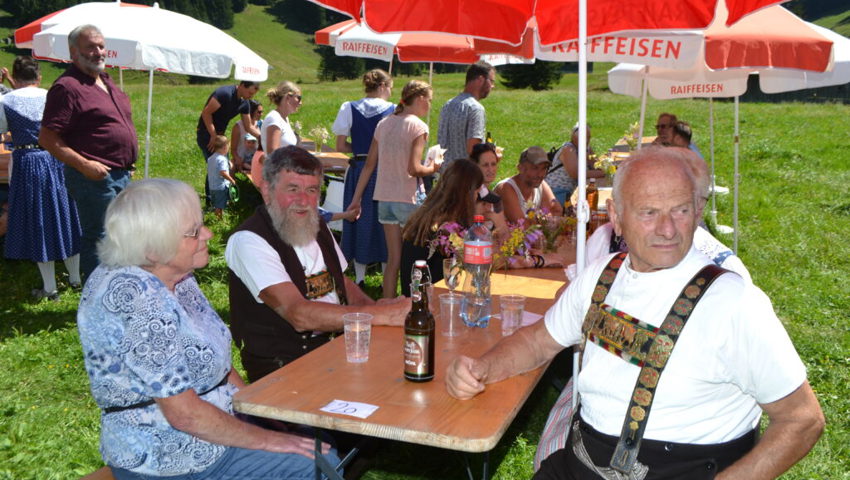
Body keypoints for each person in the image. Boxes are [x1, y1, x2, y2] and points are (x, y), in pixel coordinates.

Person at [446, 148, 824, 480]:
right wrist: (483, 369)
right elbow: (538, 341)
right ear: (617, 215)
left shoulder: (733, 302)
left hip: (683, 469)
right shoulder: (603, 274)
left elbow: (802, 419)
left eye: (680, 210)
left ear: (697, 210)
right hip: (584, 461)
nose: (667, 229)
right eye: (648, 212)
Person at [77, 178, 338, 480]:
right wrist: (273, 439)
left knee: (320, 444)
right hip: (173, 455)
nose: (208, 234)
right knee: (313, 464)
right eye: (193, 232)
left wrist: (264, 414)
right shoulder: (134, 297)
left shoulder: (176, 277)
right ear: (153, 249)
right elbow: (184, 415)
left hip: (210, 430)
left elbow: (218, 363)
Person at [226, 146, 410, 382]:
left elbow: (342, 283)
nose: (303, 201)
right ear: (267, 191)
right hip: (284, 371)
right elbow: (298, 315)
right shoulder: (248, 241)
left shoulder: (315, 224)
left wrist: (373, 309)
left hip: (337, 351)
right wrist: (381, 314)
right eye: (292, 189)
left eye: (312, 190)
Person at [39, 24, 138, 284]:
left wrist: (125, 159)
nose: (98, 52)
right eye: (90, 47)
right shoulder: (67, 87)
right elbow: (48, 138)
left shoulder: (105, 81)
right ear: (74, 52)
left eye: (101, 46)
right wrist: (84, 165)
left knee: (119, 236)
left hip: (120, 174)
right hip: (93, 178)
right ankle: (99, 301)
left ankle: (115, 292)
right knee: (101, 238)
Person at [349, 80, 442, 299]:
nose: (429, 105)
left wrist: (356, 199)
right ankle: (412, 304)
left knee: (394, 260)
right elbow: (414, 168)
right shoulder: (418, 126)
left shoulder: (383, 124)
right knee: (415, 261)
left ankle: (387, 305)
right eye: (429, 100)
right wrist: (433, 167)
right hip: (408, 199)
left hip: (384, 199)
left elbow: (369, 165)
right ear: (419, 99)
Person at [1, 56, 81, 300]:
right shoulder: (52, 95)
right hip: (57, 157)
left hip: (27, 162)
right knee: (64, 215)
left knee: (39, 222)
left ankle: (50, 288)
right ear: (39, 76)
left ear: (15, 75)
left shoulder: (5, 100)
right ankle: (76, 279)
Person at [332, 69, 395, 286]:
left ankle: (359, 277)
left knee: (357, 218)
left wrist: (359, 147)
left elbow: (340, 145)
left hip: (358, 167)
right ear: (383, 86)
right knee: (385, 221)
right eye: (390, 88)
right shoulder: (393, 110)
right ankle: (387, 273)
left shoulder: (348, 107)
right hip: (384, 170)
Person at [197, 81, 261, 205]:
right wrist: (213, 136)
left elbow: (248, 127)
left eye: (253, 94)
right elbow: (206, 113)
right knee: (217, 167)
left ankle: (219, 200)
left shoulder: (244, 103)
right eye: (249, 92)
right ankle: (213, 202)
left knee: (221, 167)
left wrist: (263, 137)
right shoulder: (224, 94)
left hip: (219, 136)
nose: (250, 96)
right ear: (242, 85)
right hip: (207, 134)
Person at [437, 61, 495, 167]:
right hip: (465, 176)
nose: (492, 86)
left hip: (445, 174)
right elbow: (473, 148)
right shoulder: (476, 108)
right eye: (491, 81)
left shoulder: (448, 104)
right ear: (480, 79)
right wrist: (492, 154)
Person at [494, 146, 563, 223]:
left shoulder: (541, 184)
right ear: (520, 168)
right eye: (535, 168)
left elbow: (556, 211)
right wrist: (544, 222)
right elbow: (522, 225)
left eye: (544, 168)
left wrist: (540, 222)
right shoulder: (506, 188)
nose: (540, 174)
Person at [545, 124, 605, 206]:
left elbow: (598, 166)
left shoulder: (586, 148)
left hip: (571, 191)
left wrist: (588, 155)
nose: (586, 140)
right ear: (574, 138)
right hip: (556, 191)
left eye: (588, 137)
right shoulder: (568, 149)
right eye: (584, 137)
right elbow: (575, 173)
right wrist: (600, 173)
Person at [261, 81, 301, 153]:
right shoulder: (274, 119)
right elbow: (273, 155)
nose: (300, 103)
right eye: (299, 98)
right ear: (288, 98)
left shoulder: (284, 118)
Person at [206, 135, 236, 218]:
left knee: (217, 203)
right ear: (224, 147)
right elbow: (222, 172)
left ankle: (218, 214)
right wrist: (231, 180)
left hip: (212, 186)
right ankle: (219, 219)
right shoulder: (222, 159)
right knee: (220, 205)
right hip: (220, 187)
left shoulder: (211, 158)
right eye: (228, 147)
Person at [230, 99, 262, 172]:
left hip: (257, 158)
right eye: (259, 112)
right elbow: (233, 149)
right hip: (242, 159)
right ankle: (233, 183)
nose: (261, 114)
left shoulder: (260, 124)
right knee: (230, 167)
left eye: (261, 112)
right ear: (251, 112)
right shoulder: (238, 127)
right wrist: (238, 159)